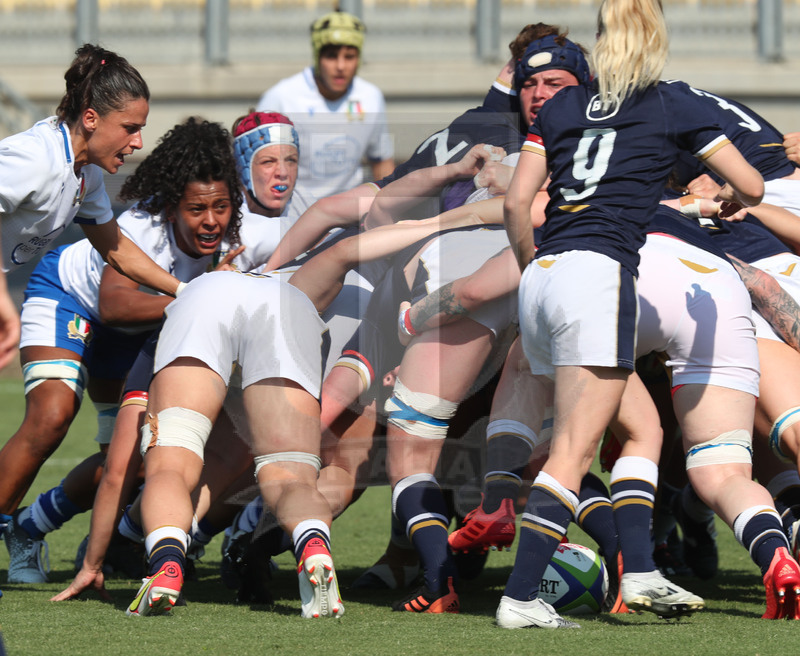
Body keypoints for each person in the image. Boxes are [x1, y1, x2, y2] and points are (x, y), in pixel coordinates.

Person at [499, 0, 773, 629]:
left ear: (599, 41)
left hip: (542, 275)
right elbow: (753, 187)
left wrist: (531, 270)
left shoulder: (562, 105)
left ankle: (643, 570)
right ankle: (519, 596)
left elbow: (519, 202)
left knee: (643, 431)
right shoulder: (672, 100)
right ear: (656, 38)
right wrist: (725, 196)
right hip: (598, 275)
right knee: (573, 450)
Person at [3, 117, 245, 584]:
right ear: (172, 205)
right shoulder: (144, 225)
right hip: (69, 297)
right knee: (52, 414)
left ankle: (30, 527)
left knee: (132, 459)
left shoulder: (229, 234)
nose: (211, 219)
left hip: (135, 330)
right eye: (197, 209)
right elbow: (114, 304)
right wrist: (194, 295)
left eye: (221, 206)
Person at [0, 44, 187, 531]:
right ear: (90, 118)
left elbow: (117, 249)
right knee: (51, 417)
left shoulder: (82, 175)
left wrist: (184, 291)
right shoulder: (37, 159)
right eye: (129, 127)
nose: (137, 141)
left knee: (54, 418)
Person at [256, 10, 394, 199]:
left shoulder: (371, 97)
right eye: (331, 56)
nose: (340, 66)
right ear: (317, 57)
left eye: (350, 56)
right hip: (291, 211)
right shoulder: (281, 98)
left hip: (347, 214)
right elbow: (256, 167)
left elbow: (381, 162)